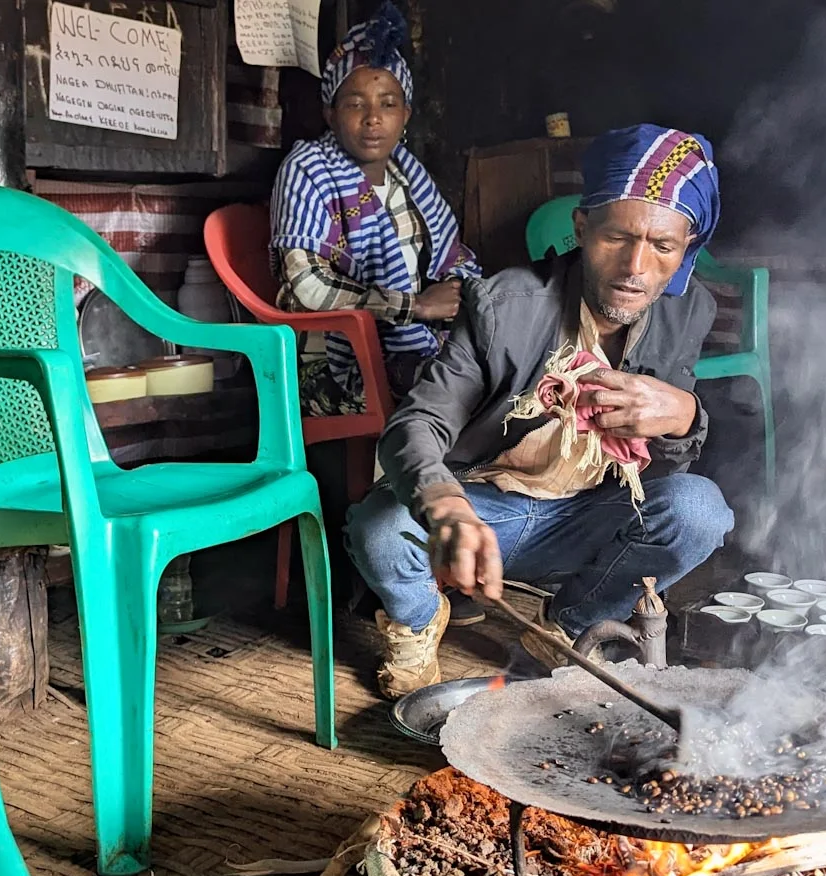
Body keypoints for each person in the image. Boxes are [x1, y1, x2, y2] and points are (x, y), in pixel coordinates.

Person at [345, 124, 736, 698]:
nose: (636, 266)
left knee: (699, 509)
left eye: (663, 247)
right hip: (487, 513)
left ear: (685, 252)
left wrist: (683, 415)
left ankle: (568, 627)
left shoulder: (686, 311)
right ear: (582, 228)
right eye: (616, 238)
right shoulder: (504, 305)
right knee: (380, 527)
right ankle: (417, 616)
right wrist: (448, 506)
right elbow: (417, 424)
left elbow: (668, 464)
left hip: (589, 515)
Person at [269, 2, 480, 419]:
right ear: (330, 113)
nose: (372, 119)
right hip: (335, 362)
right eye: (355, 104)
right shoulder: (307, 170)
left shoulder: (408, 176)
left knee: (519, 362)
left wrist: (458, 292)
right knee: (468, 391)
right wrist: (415, 307)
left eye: (387, 103)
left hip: (416, 344)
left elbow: (450, 255)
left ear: (406, 115)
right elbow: (303, 286)